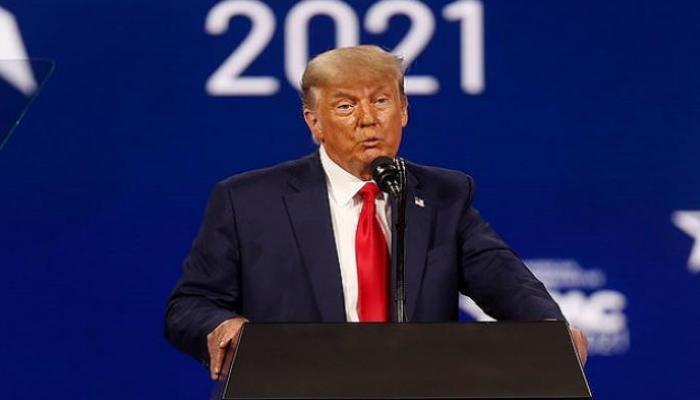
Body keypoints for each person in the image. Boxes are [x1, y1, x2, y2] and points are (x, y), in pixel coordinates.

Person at [164, 45, 588, 380]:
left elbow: (504, 279)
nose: (367, 119)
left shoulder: (443, 196)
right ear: (314, 122)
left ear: (403, 110)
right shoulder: (248, 200)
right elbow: (190, 305)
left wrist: (551, 328)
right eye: (345, 106)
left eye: (381, 100)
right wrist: (221, 327)